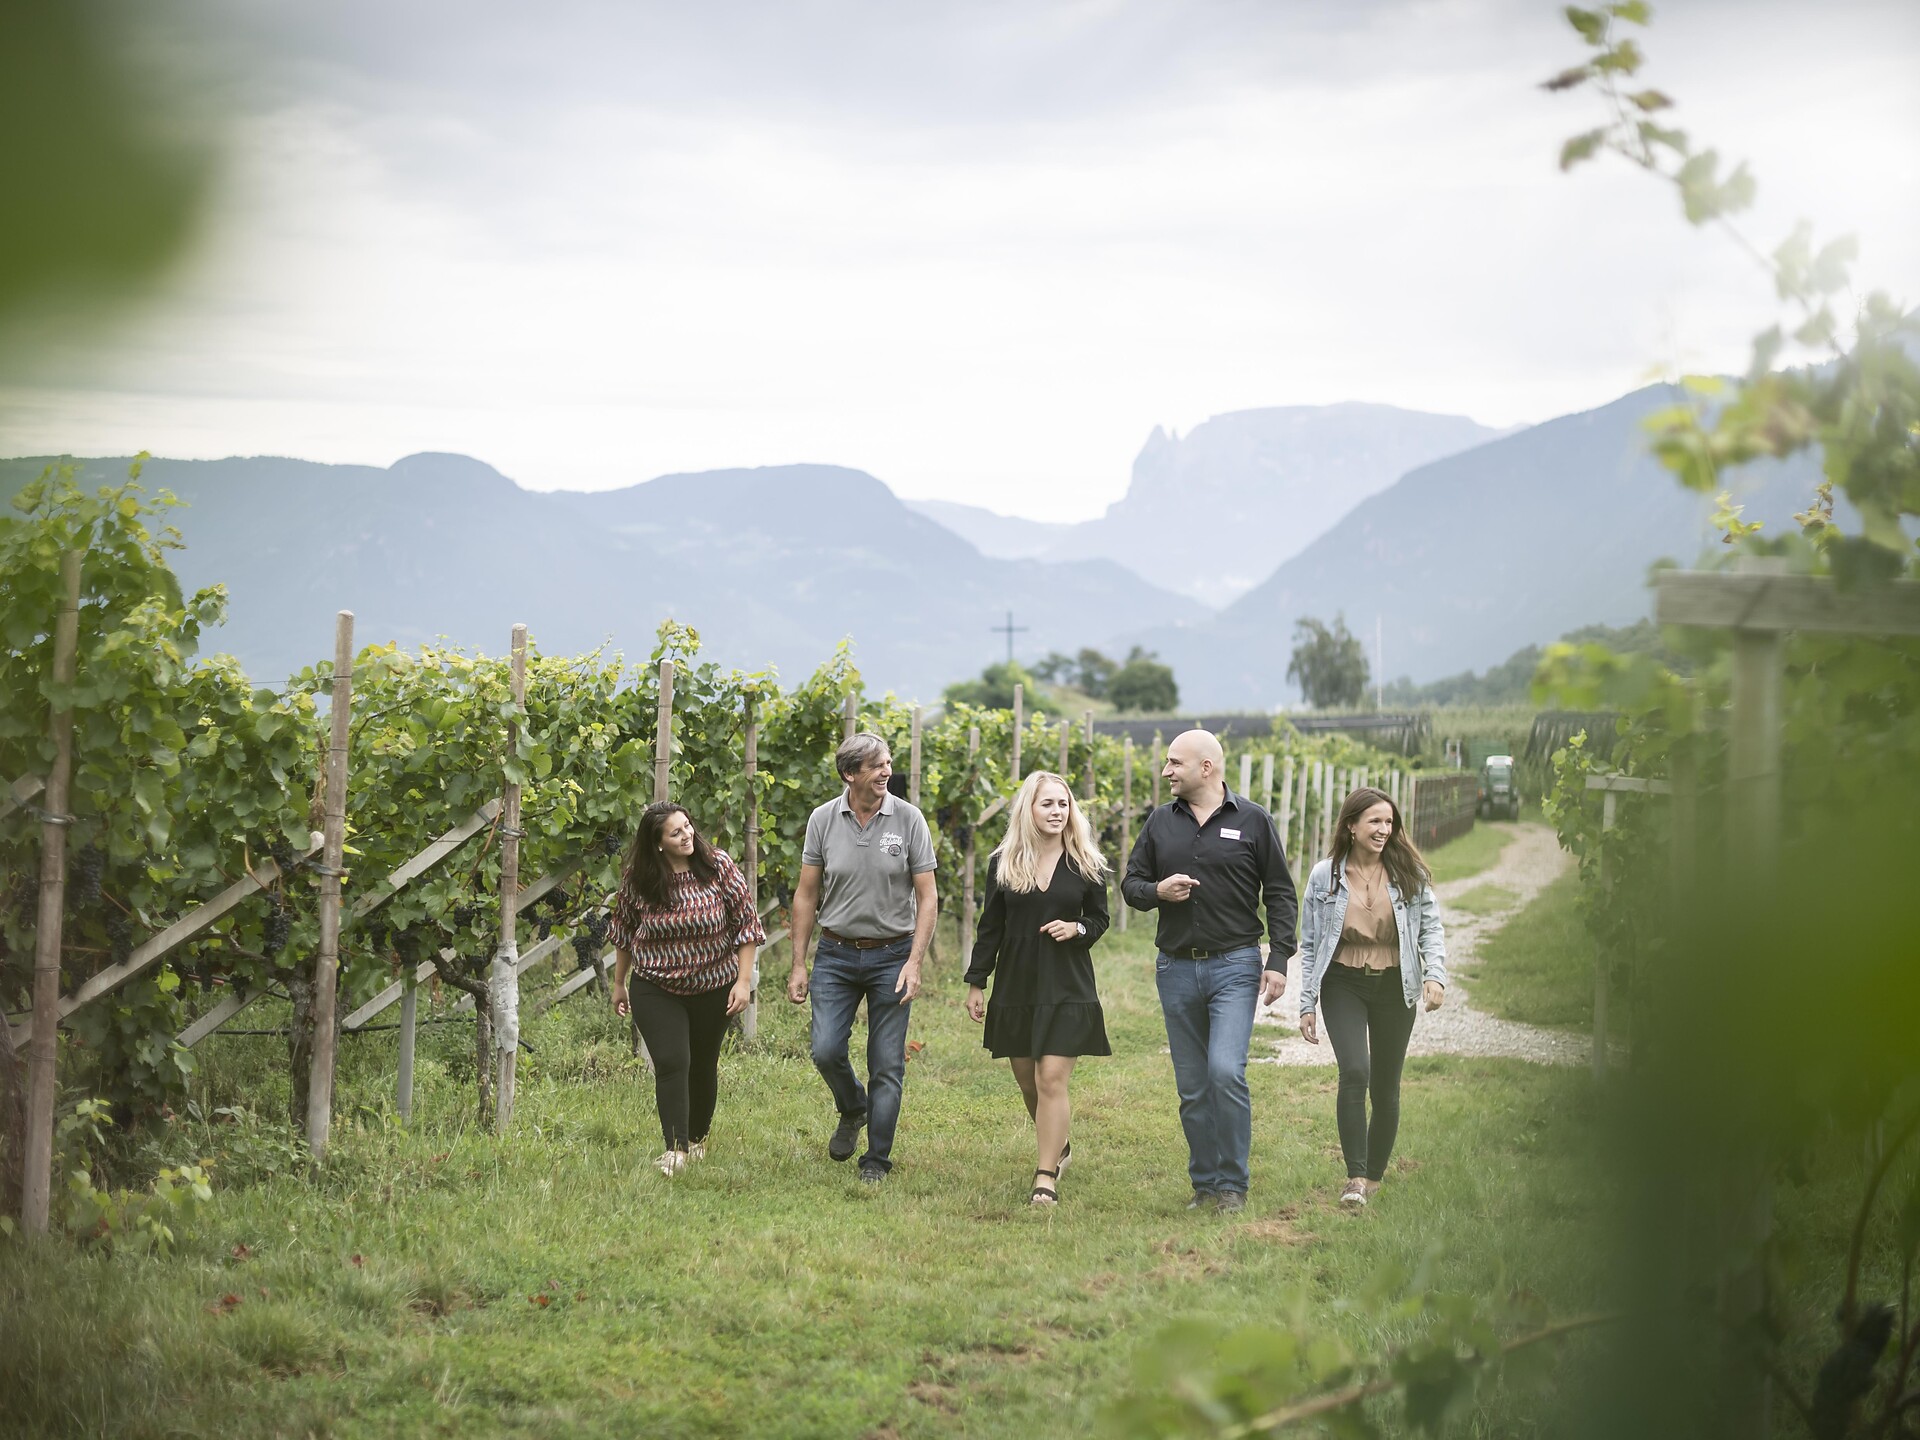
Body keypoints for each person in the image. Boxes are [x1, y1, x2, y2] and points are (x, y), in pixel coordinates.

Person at [1123, 729, 1296, 1212]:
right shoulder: (1160, 822)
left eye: (1174, 763)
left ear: (1206, 767)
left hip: (1236, 966)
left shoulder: (1254, 820)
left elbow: (1280, 892)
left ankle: (1233, 1186)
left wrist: (1279, 958)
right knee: (1193, 1086)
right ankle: (1205, 1184)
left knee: (1225, 1071)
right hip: (1175, 969)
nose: (1165, 772)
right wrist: (1157, 892)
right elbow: (1130, 885)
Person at [786, 732, 938, 1184]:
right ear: (850, 774)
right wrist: (799, 962)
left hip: (893, 954)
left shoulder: (909, 820)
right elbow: (806, 893)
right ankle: (854, 1108)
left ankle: (877, 1160)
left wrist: (914, 961)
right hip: (835, 953)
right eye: (876, 766)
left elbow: (928, 898)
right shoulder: (822, 820)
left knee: (887, 1062)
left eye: (888, 763)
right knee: (825, 1049)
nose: (886, 772)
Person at [1294, 786, 1448, 1207]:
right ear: (1352, 825)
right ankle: (1355, 1178)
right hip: (1342, 982)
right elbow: (1310, 943)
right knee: (1355, 1072)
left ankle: (1375, 1175)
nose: (1384, 830)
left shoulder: (1407, 871)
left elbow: (1431, 928)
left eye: (1389, 822)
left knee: (1385, 1087)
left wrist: (1435, 976)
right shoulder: (1325, 875)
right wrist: (1306, 1002)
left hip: (1396, 984)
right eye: (1375, 821)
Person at [964, 771, 1112, 1206]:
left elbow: (1099, 919)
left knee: (1051, 1078)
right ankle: (1059, 1142)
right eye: (1047, 804)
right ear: (1029, 809)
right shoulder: (1004, 862)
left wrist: (1078, 926)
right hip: (1017, 980)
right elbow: (990, 927)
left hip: (1067, 979)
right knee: (1029, 1081)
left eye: (1063, 804)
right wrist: (977, 981)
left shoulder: (1087, 862)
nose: (1057, 812)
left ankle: (1045, 1174)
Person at [608, 801, 765, 1176]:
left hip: (714, 986)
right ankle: (675, 1149)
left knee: (702, 1064)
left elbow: (746, 925)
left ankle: (696, 1141)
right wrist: (618, 984)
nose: (687, 834)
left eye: (688, 826)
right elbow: (624, 931)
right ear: (657, 843)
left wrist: (743, 983)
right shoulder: (639, 879)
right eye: (676, 832)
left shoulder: (718, 867)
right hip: (656, 985)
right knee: (672, 1061)